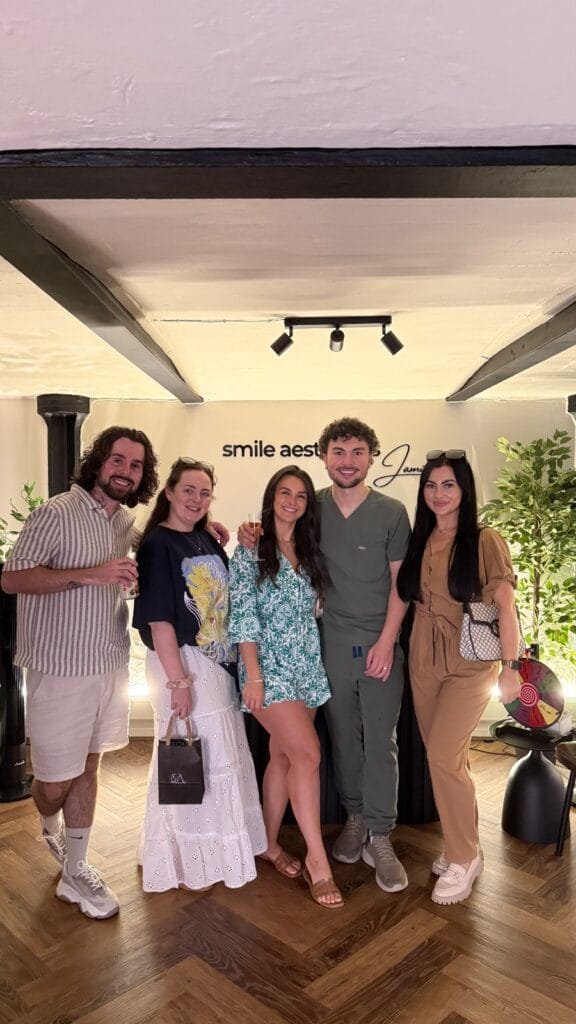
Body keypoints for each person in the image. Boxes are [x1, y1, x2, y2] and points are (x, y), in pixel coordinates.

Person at [238, 419, 411, 894]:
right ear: (325, 457)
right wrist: (249, 532)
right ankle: (354, 819)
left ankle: (381, 835)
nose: (348, 460)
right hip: (326, 648)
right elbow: (273, 531)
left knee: (381, 741)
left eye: (357, 451)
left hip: (377, 645)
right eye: (338, 451)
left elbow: (402, 584)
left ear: (372, 456)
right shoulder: (311, 508)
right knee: (340, 740)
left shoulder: (392, 512)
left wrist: (386, 640)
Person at [1, 426, 159, 919]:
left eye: (135, 465)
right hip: (59, 669)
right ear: (98, 462)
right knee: (52, 782)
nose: (125, 471)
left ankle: (77, 869)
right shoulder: (56, 512)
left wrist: (207, 527)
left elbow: (158, 536)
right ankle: (48, 825)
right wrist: (91, 574)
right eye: (118, 460)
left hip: (108, 665)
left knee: (89, 766)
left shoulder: (122, 522)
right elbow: (12, 577)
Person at [133, 458, 267, 892]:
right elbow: (158, 619)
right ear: (168, 492)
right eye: (188, 490)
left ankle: (216, 851)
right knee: (192, 760)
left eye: (204, 492)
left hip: (214, 663)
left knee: (214, 758)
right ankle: (191, 858)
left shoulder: (201, 537)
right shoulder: (157, 544)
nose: (196, 499)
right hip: (185, 664)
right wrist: (178, 682)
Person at [396, 449, 521, 905]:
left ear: (464, 490)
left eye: (448, 485)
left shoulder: (485, 540)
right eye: (431, 485)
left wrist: (511, 667)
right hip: (423, 659)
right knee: (446, 758)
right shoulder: (420, 539)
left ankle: (464, 856)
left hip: (470, 661)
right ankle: (463, 844)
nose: (438, 493)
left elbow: (504, 606)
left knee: (444, 758)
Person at [229, 466, 342, 908]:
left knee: (282, 755)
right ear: (271, 496)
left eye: (299, 495)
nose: (291, 501)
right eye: (283, 492)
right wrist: (253, 675)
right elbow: (243, 617)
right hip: (267, 669)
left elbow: (314, 610)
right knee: (309, 755)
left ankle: (268, 845)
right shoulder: (252, 549)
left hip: (305, 666)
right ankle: (318, 860)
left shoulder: (310, 550)